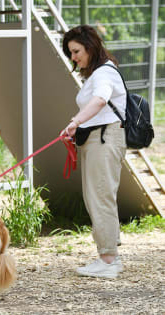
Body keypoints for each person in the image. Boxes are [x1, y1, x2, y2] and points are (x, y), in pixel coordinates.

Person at [61, 25, 126, 278]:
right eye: (71, 53)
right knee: (96, 196)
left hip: (104, 138)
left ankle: (109, 260)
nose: (74, 58)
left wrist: (75, 121)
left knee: (100, 195)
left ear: (90, 46)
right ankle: (107, 256)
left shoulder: (103, 73)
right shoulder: (99, 72)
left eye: (76, 51)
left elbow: (100, 100)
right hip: (96, 138)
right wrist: (77, 126)